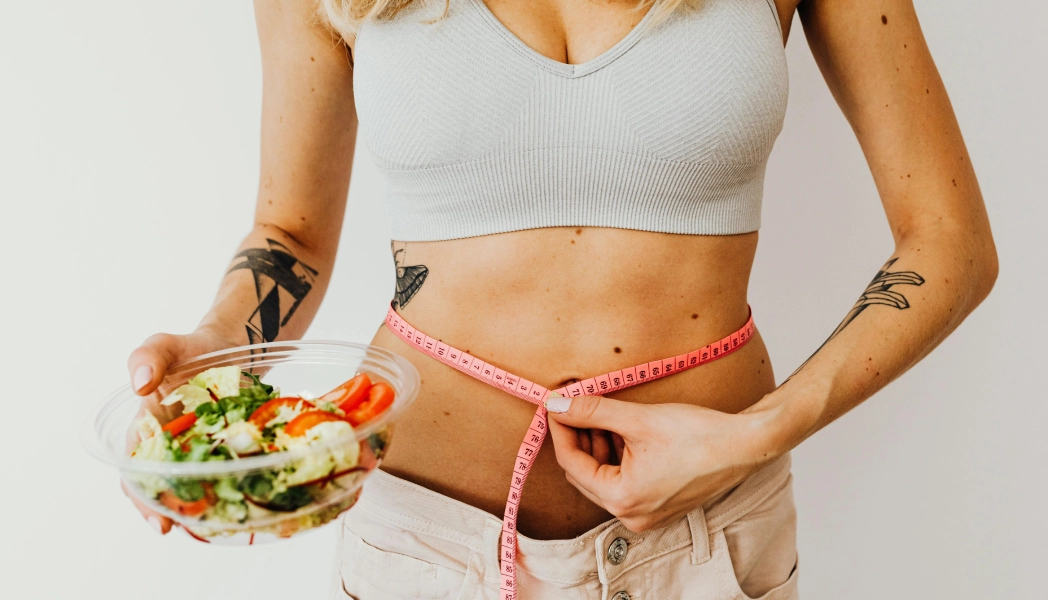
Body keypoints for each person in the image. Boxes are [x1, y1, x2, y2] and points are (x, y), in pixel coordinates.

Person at [124, 0, 997, 598]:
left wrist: (755, 434)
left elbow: (949, 242)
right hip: (425, 545)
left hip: (709, 540)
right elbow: (292, 234)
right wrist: (217, 345)